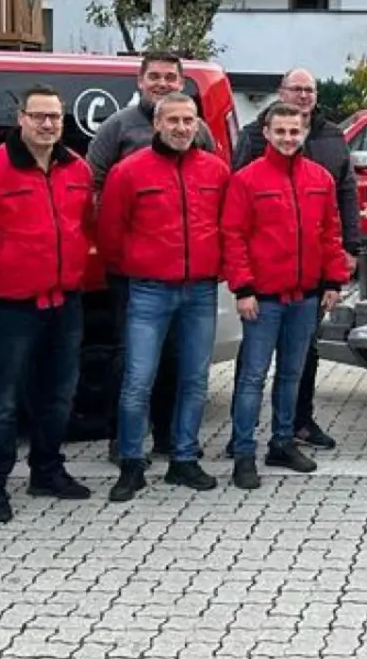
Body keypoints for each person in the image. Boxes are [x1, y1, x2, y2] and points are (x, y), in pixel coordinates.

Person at [0, 85, 95, 523]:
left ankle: (47, 470)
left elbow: (84, 225)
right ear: (21, 118)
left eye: (55, 117)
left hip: (64, 302)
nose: (48, 124)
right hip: (8, 307)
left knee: (59, 395)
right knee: (1, 401)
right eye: (39, 116)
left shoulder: (77, 169)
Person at [98, 91, 230, 502]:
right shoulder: (128, 172)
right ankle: (132, 464)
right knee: (138, 380)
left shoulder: (216, 171)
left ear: (198, 125)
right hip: (149, 290)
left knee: (194, 379)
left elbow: (228, 225)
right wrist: (140, 266)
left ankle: (184, 460)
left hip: (200, 291)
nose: (181, 128)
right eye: (172, 120)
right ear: (156, 124)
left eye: (188, 121)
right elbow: (110, 234)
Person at [88, 54, 215, 463]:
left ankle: (170, 440)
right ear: (140, 81)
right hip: (138, 277)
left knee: (181, 364)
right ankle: (124, 446)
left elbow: (214, 201)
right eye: (155, 76)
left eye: (171, 77)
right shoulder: (118, 127)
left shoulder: (203, 136)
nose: (163, 82)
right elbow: (98, 197)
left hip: (193, 280)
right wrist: (128, 263)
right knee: (133, 366)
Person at [222, 102, 352, 490]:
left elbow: (330, 232)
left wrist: (333, 281)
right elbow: (233, 237)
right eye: (280, 131)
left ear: (305, 132)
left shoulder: (320, 179)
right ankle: (244, 452)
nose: (288, 138)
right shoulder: (246, 180)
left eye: (294, 131)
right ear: (266, 133)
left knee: (292, 374)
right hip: (262, 299)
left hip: (306, 297)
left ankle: (281, 442)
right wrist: (242, 288)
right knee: (252, 377)